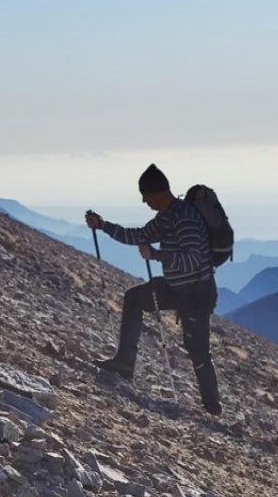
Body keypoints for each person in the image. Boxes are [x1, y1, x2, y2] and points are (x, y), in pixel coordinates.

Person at [85, 164, 223, 416]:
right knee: (135, 298)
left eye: (145, 196)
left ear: (157, 192)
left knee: (198, 349)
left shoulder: (185, 218)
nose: (144, 201)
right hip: (176, 287)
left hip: (197, 293)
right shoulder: (167, 217)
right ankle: (125, 362)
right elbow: (138, 235)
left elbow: (193, 259)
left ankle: (212, 408)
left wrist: (157, 254)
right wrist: (102, 225)